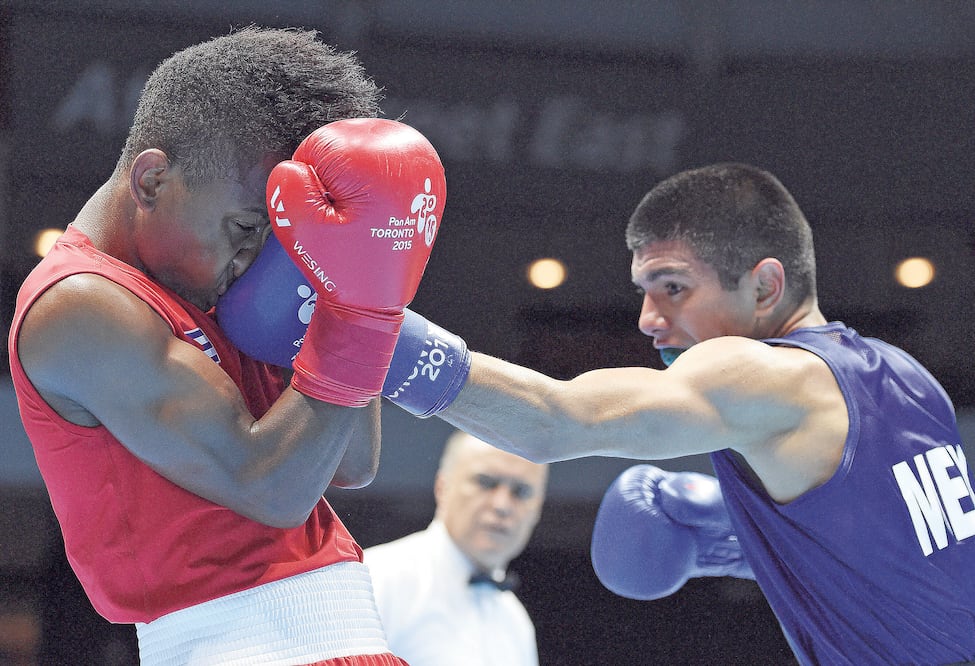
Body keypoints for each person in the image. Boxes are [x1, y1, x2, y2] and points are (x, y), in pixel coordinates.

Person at [375, 162, 975, 664]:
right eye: (644, 289)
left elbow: (557, 420)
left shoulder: (766, 377)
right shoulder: (910, 379)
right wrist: (746, 540)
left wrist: (373, 336)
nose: (647, 319)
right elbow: (913, 565)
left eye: (674, 287)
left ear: (765, 287)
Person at [7, 26, 447, 665]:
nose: (254, 254)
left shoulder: (219, 289)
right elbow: (273, 487)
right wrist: (363, 308)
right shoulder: (81, 305)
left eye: (275, 234)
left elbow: (349, 464)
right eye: (246, 225)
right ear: (153, 180)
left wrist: (335, 281)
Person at [363, 430, 548, 666]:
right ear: (442, 487)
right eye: (485, 482)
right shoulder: (378, 578)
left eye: (521, 492)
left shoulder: (516, 621)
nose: (502, 505)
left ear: (538, 509)